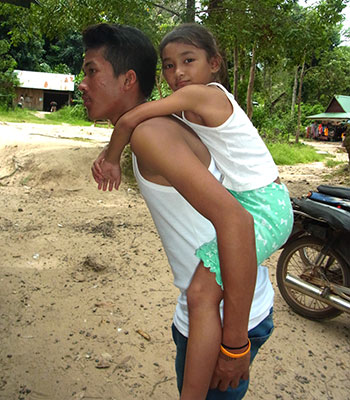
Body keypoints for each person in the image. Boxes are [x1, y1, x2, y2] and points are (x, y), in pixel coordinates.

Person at [92, 23, 293, 399]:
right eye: (169, 66)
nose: (177, 73)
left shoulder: (197, 99)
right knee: (199, 295)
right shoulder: (182, 118)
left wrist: (112, 156)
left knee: (202, 292)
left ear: (214, 63)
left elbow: (132, 118)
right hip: (256, 228)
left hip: (265, 210)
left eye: (188, 61)